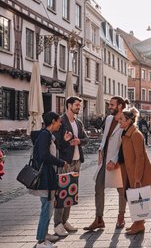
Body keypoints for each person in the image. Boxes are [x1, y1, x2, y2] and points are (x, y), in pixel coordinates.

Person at [83, 96, 129, 231]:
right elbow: (105, 137)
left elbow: (124, 145)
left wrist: (114, 160)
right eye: (109, 105)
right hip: (104, 159)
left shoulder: (126, 120)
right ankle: (99, 219)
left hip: (117, 161)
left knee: (121, 189)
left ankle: (121, 217)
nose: (109, 107)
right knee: (98, 187)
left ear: (120, 106)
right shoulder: (109, 119)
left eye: (112, 105)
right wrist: (100, 150)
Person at [31, 112, 71, 248]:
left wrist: (63, 141)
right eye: (59, 121)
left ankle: (45, 235)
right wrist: (61, 162)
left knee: (48, 208)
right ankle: (41, 241)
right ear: (53, 121)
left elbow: (51, 151)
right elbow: (44, 156)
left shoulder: (48, 135)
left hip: (49, 176)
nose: (60, 124)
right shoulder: (44, 135)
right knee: (46, 209)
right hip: (45, 178)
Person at [118, 107, 151, 235]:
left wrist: (137, 177)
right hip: (128, 171)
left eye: (121, 120)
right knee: (132, 197)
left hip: (135, 173)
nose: (119, 122)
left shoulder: (135, 134)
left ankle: (139, 224)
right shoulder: (126, 133)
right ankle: (137, 222)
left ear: (129, 121)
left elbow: (140, 157)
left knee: (138, 197)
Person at [53, 96, 88, 236]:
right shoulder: (60, 122)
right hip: (65, 162)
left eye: (79, 105)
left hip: (77, 161)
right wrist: (67, 141)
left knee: (70, 193)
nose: (78, 107)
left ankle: (65, 220)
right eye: (76, 105)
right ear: (69, 105)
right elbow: (56, 144)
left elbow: (86, 139)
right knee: (61, 193)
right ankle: (57, 224)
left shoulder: (78, 123)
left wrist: (79, 141)